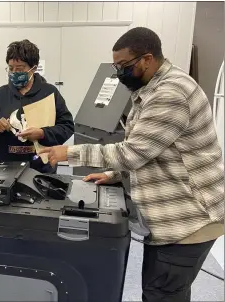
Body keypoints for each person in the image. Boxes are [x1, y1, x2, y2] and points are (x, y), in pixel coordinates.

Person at [39, 27, 224, 302]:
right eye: (115, 66)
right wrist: (115, 175)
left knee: (161, 294)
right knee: (161, 290)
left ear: (147, 59)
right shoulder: (149, 89)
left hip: (187, 220)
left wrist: (69, 153)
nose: (118, 72)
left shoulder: (170, 93)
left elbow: (133, 153)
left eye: (124, 66)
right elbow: (153, 150)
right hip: (172, 218)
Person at [0, 39, 74, 173]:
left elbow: (67, 126)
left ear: (34, 68)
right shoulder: (1, 94)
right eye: (11, 68)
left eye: (19, 69)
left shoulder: (49, 93)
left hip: (40, 167)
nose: (14, 73)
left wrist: (42, 133)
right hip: (4, 167)